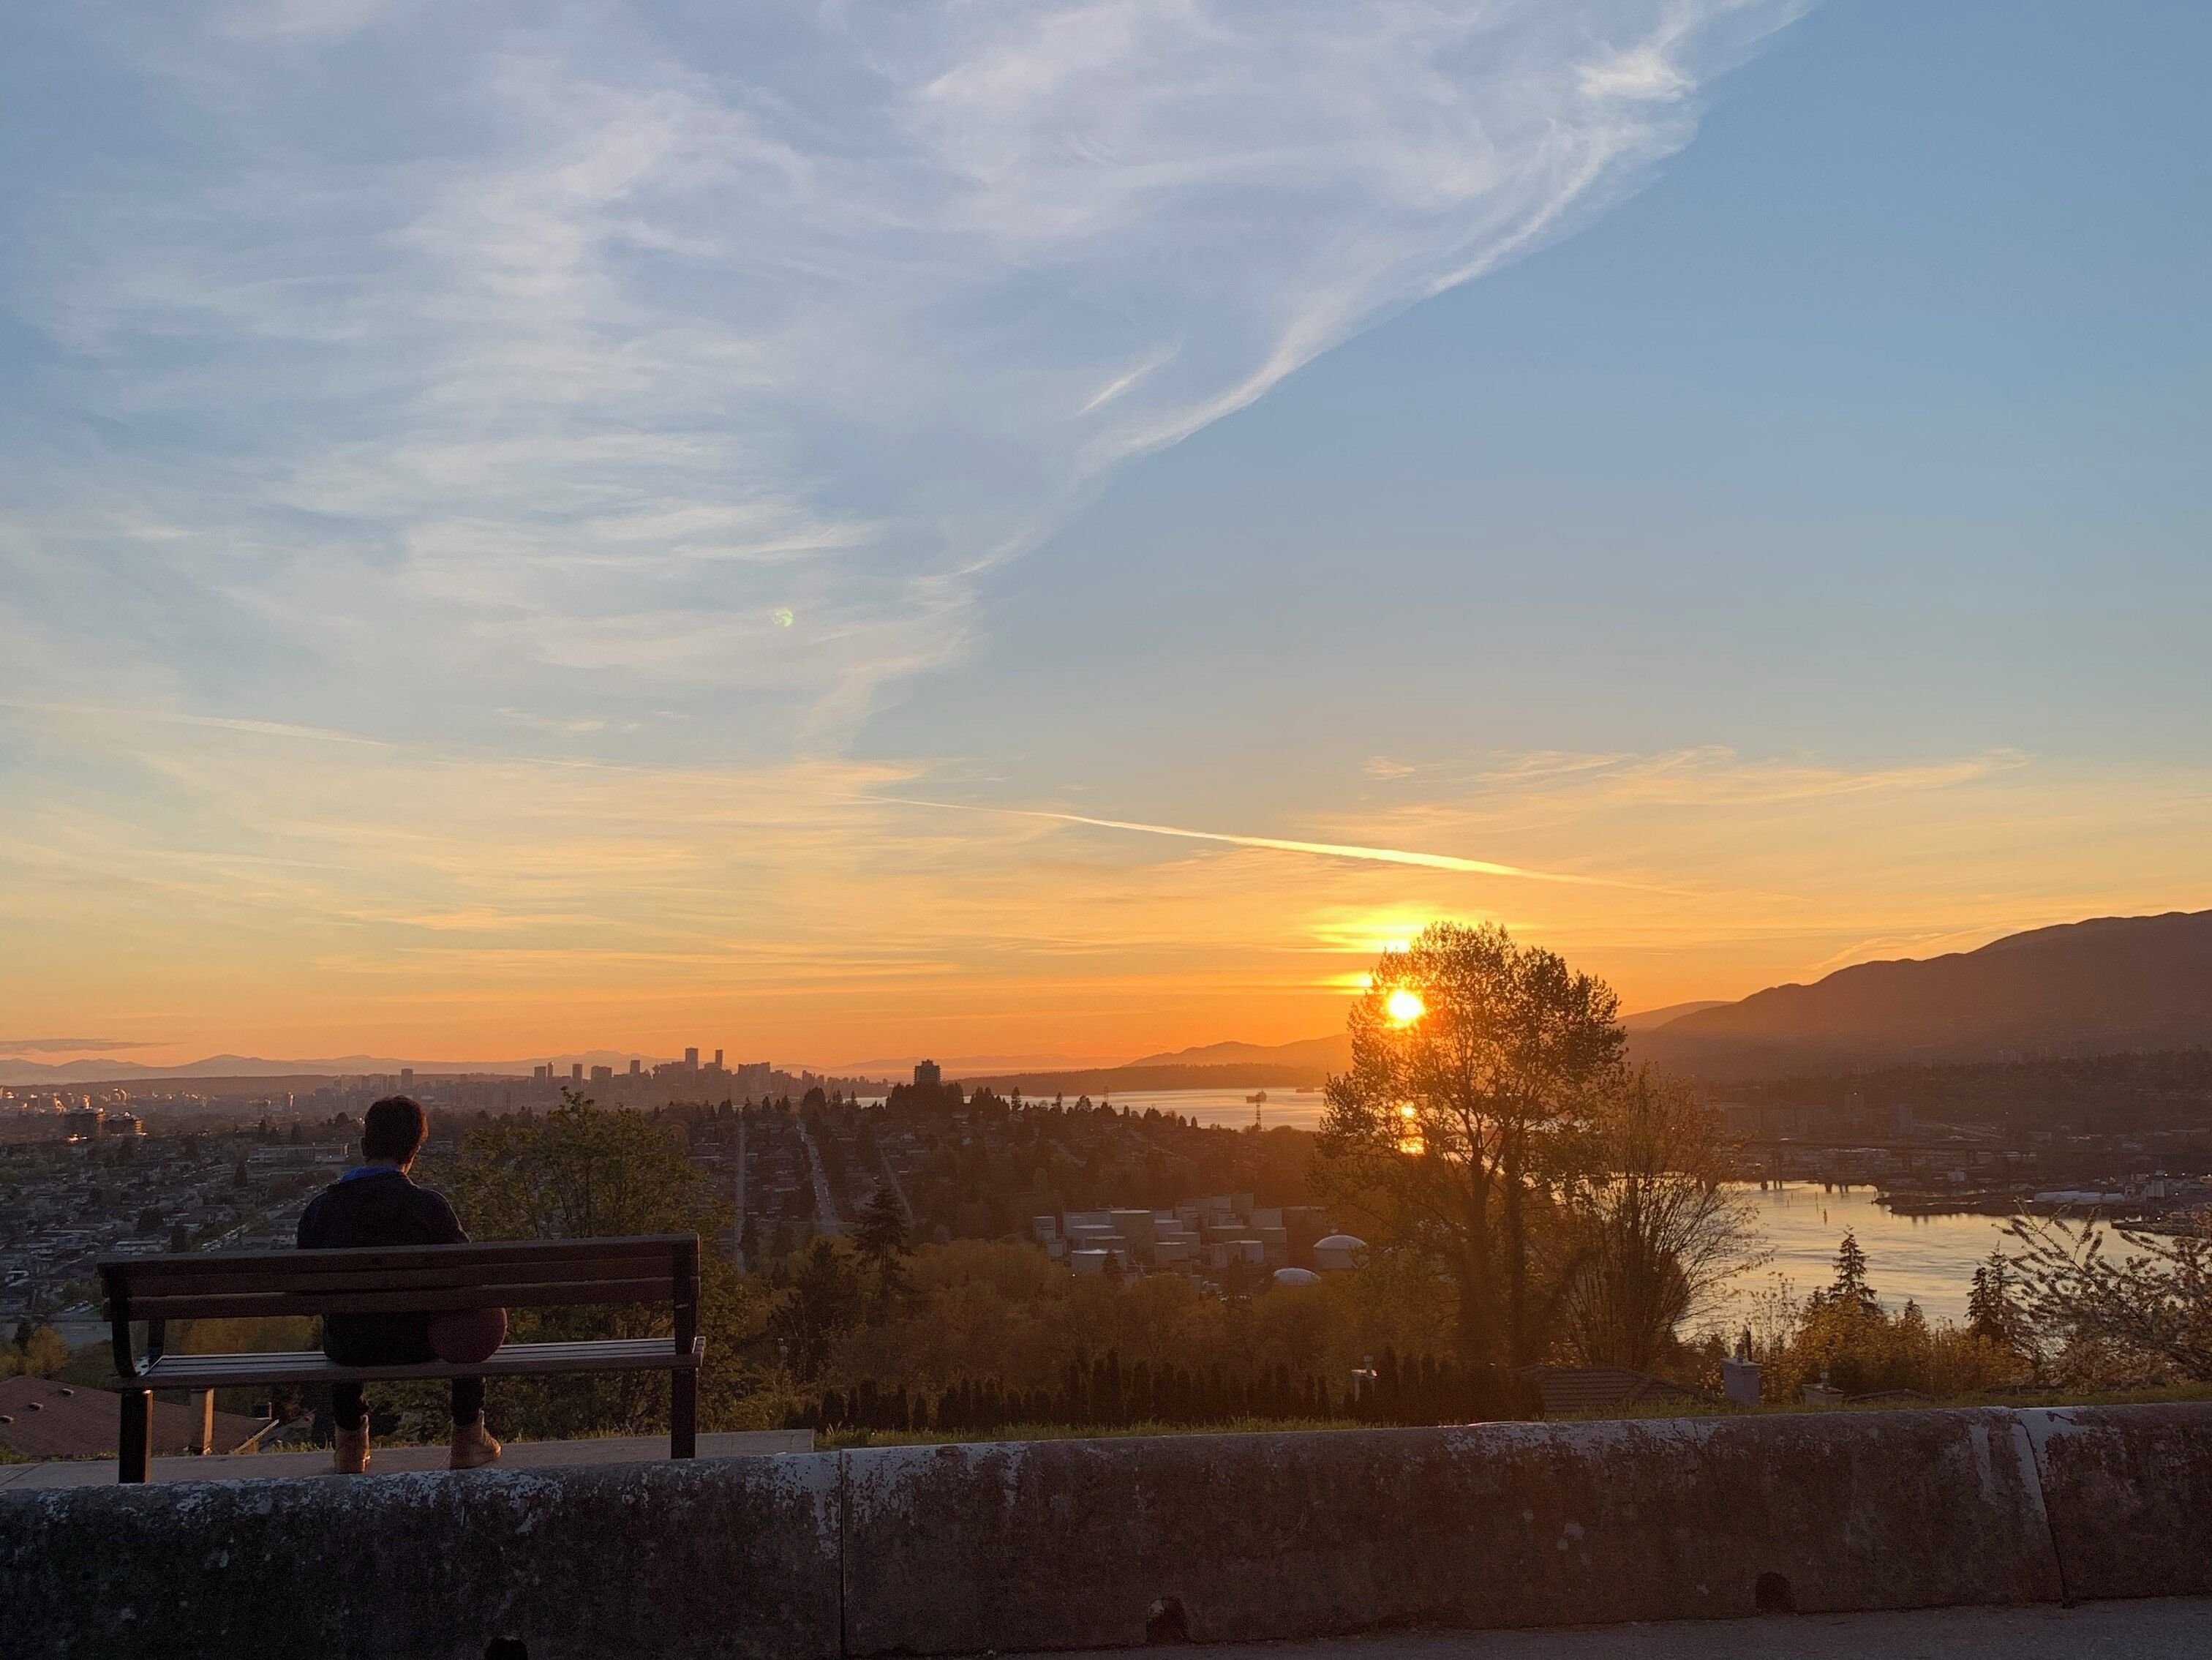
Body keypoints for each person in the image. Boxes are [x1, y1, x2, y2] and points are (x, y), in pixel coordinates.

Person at [297, 1095, 501, 1474]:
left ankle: (350, 1447)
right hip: (423, 1343)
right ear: (414, 1151)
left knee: (344, 1318)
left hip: (349, 1347)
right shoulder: (430, 1208)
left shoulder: (322, 1210)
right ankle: (468, 1437)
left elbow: (305, 1293)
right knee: (472, 1316)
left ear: (364, 1145)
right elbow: (469, 1279)